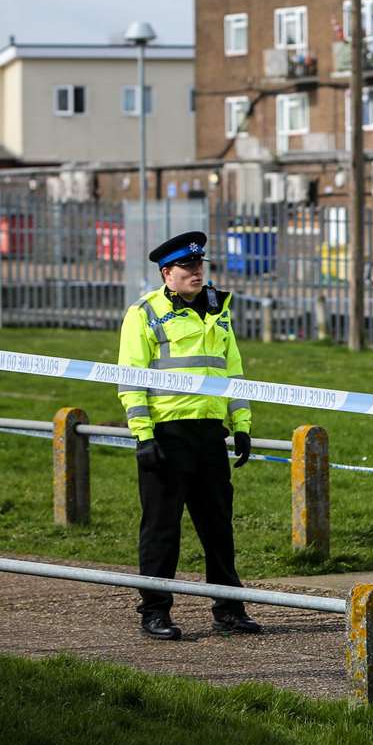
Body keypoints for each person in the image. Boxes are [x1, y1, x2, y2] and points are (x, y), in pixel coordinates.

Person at [118, 230, 260, 641]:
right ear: (167, 274)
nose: (197, 272)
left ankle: (229, 609)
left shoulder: (219, 308)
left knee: (218, 528)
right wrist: (143, 436)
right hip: (166, 434)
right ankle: (155, 611)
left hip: (209, 435)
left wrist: (242, 426)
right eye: (187, 267)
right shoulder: (143, 313)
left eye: (199, 265)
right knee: (162, 530)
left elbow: (231, 372)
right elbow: (131, 380)